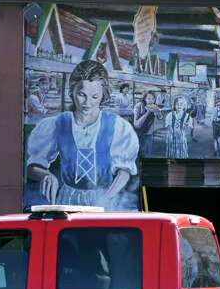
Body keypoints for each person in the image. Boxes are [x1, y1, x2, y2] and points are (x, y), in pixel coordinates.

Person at [26, 60, 139, 210]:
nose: (87, 102)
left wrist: (105, 200)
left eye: (94, 96)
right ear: (72, 92)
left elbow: (124, 172)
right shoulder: (57, 124)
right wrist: (46, 175)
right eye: (81, 95)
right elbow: (32, 166)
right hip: (67, 199)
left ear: (103, 95)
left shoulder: (118, 127)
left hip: (105, 199)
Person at [133, 91, 159, 157]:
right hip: (139, 134)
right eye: (149, 99)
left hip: (149, 134)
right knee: (138, 155)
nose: (151, 101)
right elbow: (136, 125)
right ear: (144, 99)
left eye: (153, 99)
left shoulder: (154, 106)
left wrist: (158, 113)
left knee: (148, 154)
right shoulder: (138, 106)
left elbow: (160, 118)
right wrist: (147, 112)